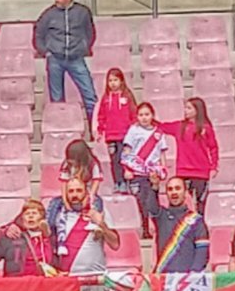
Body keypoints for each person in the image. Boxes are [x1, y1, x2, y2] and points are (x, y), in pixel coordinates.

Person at [44, 179, 119, 291]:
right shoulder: (56, 215)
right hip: (67, 281)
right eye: (71, 191)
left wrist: (101, 224)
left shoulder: (99, 213)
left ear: (86, 192)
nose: (75, 195)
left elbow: (115, 244)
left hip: (94, 280)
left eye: (78, 191)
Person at [34, 0, 98, 117]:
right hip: (55, 59)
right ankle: (59, 128)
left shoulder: (82, 12)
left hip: (76, 58)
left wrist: (84, 47)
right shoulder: (48, 14)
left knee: (90, 95)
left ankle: (94, 129)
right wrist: (46, 52)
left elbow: (90, 31)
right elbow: (38, 34)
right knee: (57, 100)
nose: (56, 0)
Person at [120, 103, 173, 238]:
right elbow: (127, 151)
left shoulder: (158, 133)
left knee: (153, 201)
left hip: (152, 172)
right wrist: (126, 168)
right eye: (141, 115)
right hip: (137, 172)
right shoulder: (133, 130)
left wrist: (163, 168)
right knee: (141, 201)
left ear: (152, 115)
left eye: (147, 114)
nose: (144, 118)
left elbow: (161, 153)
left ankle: (158, 227)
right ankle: (145, 229)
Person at [164, 98, 220, 208]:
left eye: (189, 108)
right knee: (182, 205)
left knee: (200, 205)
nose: (185, 110)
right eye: (185, 108)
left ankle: (199, 225)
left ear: (197, 110)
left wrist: (214, 167)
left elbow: (213, 148)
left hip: (201, 173)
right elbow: (161, 127)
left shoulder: (206, 128)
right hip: (183, 172)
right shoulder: (179, 126)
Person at [152, 176, 209, 276]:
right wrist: (154, 187)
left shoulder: (197, 220)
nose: (174, 192)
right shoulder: (161, 216)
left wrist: (192, 276)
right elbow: (150, 205)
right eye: (170, 189)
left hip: (186, 280)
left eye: (178, 188)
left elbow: (202, 252)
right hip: (163, 278)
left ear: (185, 192)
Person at [92, 68, 137, 192]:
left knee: (126, 159)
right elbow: (101, 116)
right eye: (110, 80)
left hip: (126, 135)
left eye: (115, 80)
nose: (112, 83)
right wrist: (100, 130)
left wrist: (134, 130)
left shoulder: (127, 96)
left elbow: (134, 114)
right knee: (115, 161)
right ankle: (118, 182)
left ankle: (129, 182)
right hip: (111, 136)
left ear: (121, 81)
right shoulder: (105, 98)